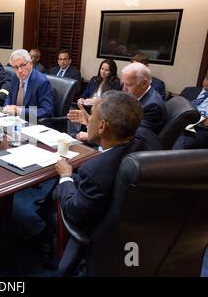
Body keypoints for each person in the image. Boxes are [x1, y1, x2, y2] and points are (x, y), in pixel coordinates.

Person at [33, 91, 144, 269]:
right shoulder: (143, 141)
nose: (88, 118)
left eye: (92, 115)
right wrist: (90, 122)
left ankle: (50, 245)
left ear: (102, 127)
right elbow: (110, 139)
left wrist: (65, 176)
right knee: (59, 187)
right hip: (130, 228)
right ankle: (44, 231)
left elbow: (73, 211)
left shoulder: (94, 172)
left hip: (96, 228)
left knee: (61, 185)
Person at [3, 49, 54, 120]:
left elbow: (46, 110)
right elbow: (9, 96)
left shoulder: (42, 82)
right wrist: (7, 107)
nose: (19, 71)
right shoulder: (14, 77)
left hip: (32, 122)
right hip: (14, 120)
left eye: (22, 65)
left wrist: (20, 111)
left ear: (31, 63)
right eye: (16, 67)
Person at [173, 72, 208, 149]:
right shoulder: (188, 90)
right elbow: (174, 107)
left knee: (181, 143)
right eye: (207, 78)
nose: (207, 82)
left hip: (200, 129)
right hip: (179, 124)